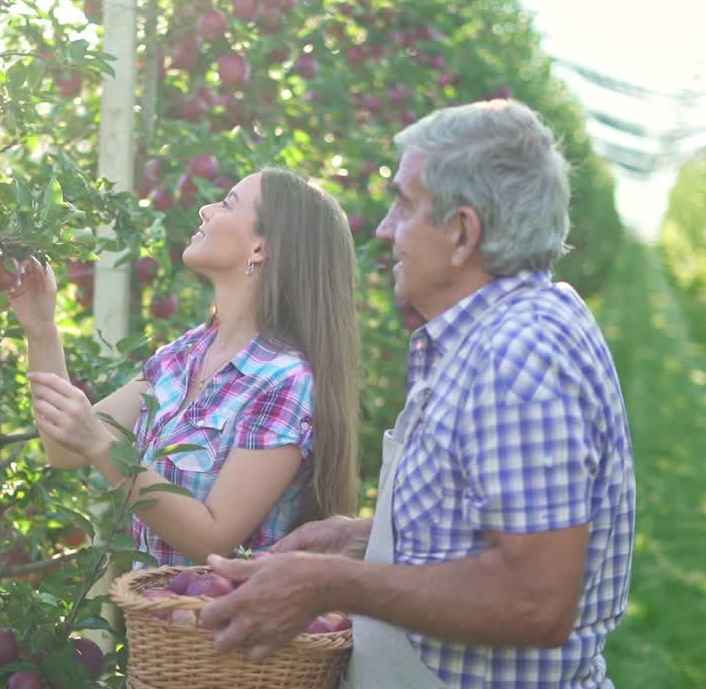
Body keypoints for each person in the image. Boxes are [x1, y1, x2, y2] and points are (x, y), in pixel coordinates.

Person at [198, 100, 636, 689]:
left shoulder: (519, 356)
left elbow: (536, 601)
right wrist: (364, 540)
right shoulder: (485, 337)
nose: (383, 230)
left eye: (404, 205)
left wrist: (327, 584)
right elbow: (486, 520)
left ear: (461, 233)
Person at [8, 167, 361, 568]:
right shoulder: (184, 355)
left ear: (261, 248)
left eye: (227, 203)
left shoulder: (283, 382)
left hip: (229, 626)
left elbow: (212, 540)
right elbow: (65, 449)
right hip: (159, 626)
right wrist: (41, 330)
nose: (206, 211)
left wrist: (103, 447)